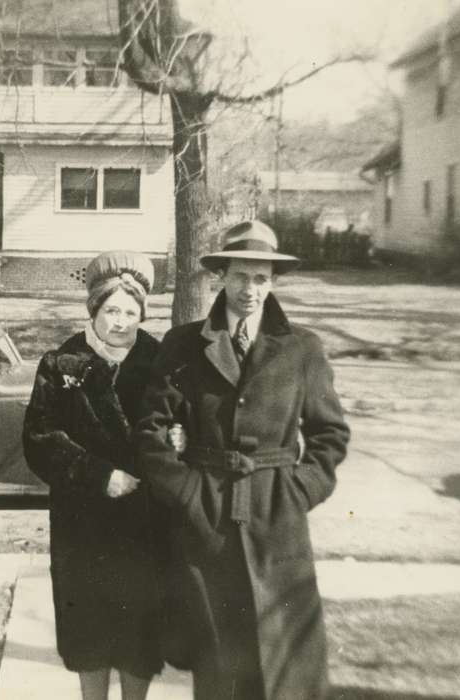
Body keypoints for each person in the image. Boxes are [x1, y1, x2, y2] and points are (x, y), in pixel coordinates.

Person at [134, 220, 351, 699]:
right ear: (221, 277)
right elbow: (150, 431)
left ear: (272, 282)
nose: (250, 290)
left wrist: (297, 492)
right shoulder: (184, 345)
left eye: (261, 278)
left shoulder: (302, 349)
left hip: (277, 517)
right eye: (240, 276)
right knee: (218, 656)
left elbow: (329, 435)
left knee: (284, 659)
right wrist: (189, 493)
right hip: (208, 515)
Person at [22, 251, 165, 700]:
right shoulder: (62, 362)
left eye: (131, 312)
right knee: (91, 633)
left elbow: (178, 424)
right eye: (112, 310)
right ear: (94, 310)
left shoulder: (159, 361)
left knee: (141, 634)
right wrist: (100, 475)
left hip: (146, 519)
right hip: (84, 522)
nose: (121, 322)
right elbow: (40, 438)